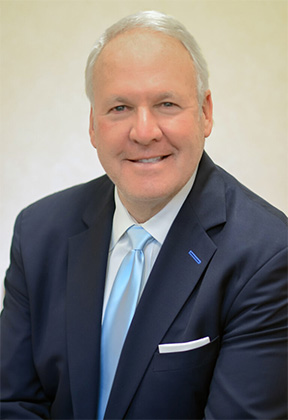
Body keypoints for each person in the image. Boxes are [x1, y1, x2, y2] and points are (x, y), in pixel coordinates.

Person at [0, 10, 287, 420]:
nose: (144, 131)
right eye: (119, 108)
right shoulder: (38, 232)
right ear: (92, 127)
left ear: (205, 112)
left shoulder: (268, 255)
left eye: (166, 103)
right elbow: (12, 404)